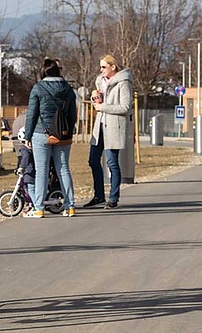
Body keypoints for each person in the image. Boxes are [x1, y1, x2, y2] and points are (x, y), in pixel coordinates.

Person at [22, 59, 77, 218]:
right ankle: (70, 206)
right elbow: (73, 114)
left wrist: (27, 136)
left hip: (41, 133)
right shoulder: (68, 89)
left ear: (43, 71)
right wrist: (69, 130)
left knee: (41, 171)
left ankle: (38, 208)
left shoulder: (38, 88)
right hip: (63, 134)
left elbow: (32, 114)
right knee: (64, 168)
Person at [84, 54, 134, 209]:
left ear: (113, 67)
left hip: (113, 127)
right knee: (93, 160)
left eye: (104, 67)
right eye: (100, 67)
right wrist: (95, 98)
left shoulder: (123, 83)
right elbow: (98, 104)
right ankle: (99, 195)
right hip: (99, 125)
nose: (101, 70)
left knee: (112, 162)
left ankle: (113, 197)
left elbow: (125, 107)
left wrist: (103, 106)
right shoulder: (100, 81)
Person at [15, 127, 37, 213]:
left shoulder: (25, 149)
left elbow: (25, 159)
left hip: (29, 173)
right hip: (36, 171)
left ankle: (36, 206)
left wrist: (21, 168)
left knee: (31, 189)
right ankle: (32, 205)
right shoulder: (34, 148)